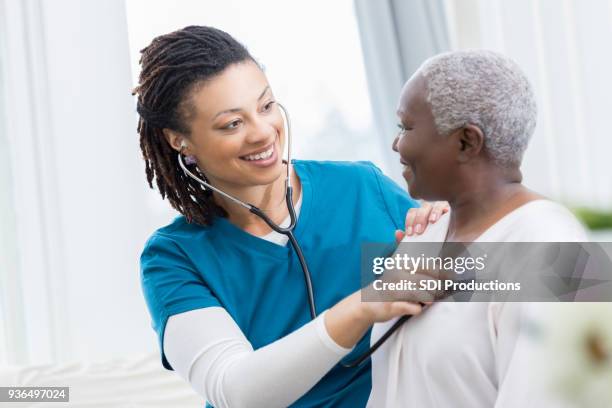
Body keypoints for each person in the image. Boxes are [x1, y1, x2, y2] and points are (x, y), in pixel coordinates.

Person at [134, 26, 446, 408]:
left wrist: (461, 232)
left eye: (266, 106)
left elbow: (529, 277)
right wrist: (367, 303)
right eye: (233, 123)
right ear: (179, 140)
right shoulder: (175, 257)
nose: (263, 133)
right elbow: (236, 390)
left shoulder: (360, 189)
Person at [368, 50, 588, 407]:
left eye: (406, 127)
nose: (397, 144)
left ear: (466, 142)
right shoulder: (426, 232)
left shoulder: (555, 250)